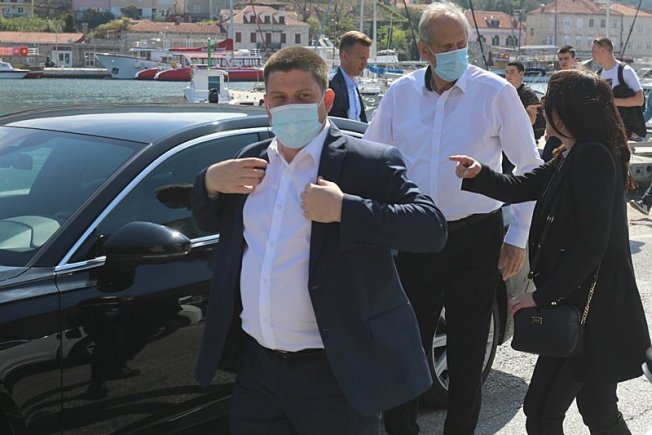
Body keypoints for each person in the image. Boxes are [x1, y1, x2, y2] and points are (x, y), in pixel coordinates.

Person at [192, 46, 448, 434]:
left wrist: (346, 209)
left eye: (303, 96)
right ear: (266, 104)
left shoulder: (370, 162)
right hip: (257, 371)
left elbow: (431, 229)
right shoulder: (250, 161)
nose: (289, 106)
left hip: (334, 373)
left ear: (326, 100)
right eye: (279, 98)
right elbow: (208, 222)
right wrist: (209, 182)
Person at [362, 2, 543, 434]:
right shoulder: (400, 93)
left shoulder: (496, 93)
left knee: (467, 353)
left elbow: (529, 167)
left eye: (462, 44)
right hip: (415, 234)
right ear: (424, 50)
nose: (456, 53)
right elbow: (371, 158)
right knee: (404, 347)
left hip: (476, 238)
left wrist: (517, 235)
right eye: (446, 47)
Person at [451, 69, 651, 434]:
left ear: (569, 110)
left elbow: (593, 243)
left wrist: (541, 297)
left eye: (551, 105)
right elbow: (522, 186)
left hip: (588, 310)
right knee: (598, 409)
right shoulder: (573, 153)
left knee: (543, 412)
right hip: (594, 308)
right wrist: (480, 175)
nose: (545, 112)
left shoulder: (591, 155)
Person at [592, 36, 646, 139]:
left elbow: (640, 100)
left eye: (594, 51)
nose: (593, 55)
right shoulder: (598, 74)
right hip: (607, 129)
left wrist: (611, 101)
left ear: (603, 50)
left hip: (626, 131)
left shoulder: (625, 71)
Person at [541, 46, 579, 162]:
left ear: (573, 59)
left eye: (566, 58)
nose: (563, 62)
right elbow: (549, 105)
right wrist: (548, 128)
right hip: (557, 129)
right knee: (546, 160)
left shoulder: (580, 79)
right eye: (560, 59)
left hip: (574, 129)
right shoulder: (555, 79)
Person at [328, 30, 372, 122]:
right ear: (344, 56)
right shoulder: (330, 84)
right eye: (361, 58)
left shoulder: (353, 85)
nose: (365, 63)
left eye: (367, 59)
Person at [505, 61, 545, 141]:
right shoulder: (507, 92)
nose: (508, 75)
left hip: (526, 137)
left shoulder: (528, 94)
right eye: (507, 72)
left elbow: (539, 123)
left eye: (512, 72)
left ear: (521, 74)